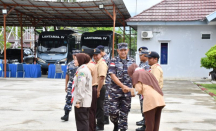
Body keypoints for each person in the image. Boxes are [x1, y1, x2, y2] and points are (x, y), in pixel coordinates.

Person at [127, 64, 165, 131]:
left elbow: (138, 90)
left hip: (151, 100)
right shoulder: (147, 72)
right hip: (160, 98)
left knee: (149, 124)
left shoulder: (136, 74)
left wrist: (130, 91)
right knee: (156, 123)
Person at [108, 43, 135, 131]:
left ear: (127, 50)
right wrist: (122, 86)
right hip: (114, 92)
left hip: (127, 93)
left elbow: (136, 76)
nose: (123, 52)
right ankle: (115, 123)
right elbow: (112, 75)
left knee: (124, 113)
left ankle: (122, 128)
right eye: (121, 50)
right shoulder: (113, 61)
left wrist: (134, 89)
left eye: (125, 50)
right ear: (118, 51)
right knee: (113, 112)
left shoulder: (132, 61)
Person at [73, 53, 92, 131]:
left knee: (82, 122)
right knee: (83, 121)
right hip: (84, 100)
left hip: (82, 102)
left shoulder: (82, 71)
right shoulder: (83, 69)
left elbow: (81, 86)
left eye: (76, 59)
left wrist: (78, 101)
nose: (74, 61)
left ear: (81, 60)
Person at [82, 46, 98, 131]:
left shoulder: (88, 66)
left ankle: (90, 128)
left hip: (90, 89)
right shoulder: (92, 64)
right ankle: (92, 127)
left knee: (89, 111)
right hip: (93, 88)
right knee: (92, 111)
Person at [61, 49, 80, 121]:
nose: (74, 56)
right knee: (68, 99)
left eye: (76, 55)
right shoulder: (70, 64)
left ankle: (79, 116)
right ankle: (66, 115)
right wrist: (66, 85)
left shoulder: (82, 64)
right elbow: (67, 75)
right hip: (71, 84)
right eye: (74, 55)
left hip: (79, 85)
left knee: (79, 100)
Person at [93, 48, 108, 131]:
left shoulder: (102, 63)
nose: (95, 57)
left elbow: (102, 78)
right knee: (96, 106)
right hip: (97, 86)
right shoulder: (96, 63)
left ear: (100, 54)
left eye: (97, 55)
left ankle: (100, 125)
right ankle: (97, 124)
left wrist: (98, 90)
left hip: (100, 87)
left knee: (99, 107)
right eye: (94, 55)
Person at [136, 47, 150, 131]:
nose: (139, 56)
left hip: (145, 89)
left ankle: (145, 125)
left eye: (141, 55)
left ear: (145, 55)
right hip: (141, 89)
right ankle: (144, 121)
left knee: (146, 107)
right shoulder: (141, 63)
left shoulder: (148, 65)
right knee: (142, 106)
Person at [97, 45, 111, 124]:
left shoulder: (105, 59)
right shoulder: (106, 58)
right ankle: (105, 117)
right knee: (104, 100)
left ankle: (105, 118)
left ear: (101, 52)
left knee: (104, 101)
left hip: (106, 81)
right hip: (105, 81)